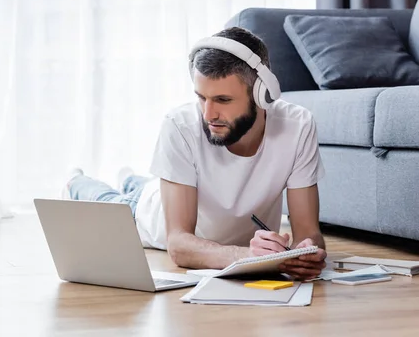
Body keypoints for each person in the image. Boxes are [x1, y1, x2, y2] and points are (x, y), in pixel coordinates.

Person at [62, 27, 327, 280]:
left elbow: (309, 233)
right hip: (149, 217)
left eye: (223, 100)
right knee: (112, 200)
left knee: (143, 185)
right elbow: (178, 245)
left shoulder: (298, 126)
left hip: (190, 203)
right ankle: (76, 181)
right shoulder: (179, 125)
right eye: (201, 98)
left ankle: (132, 178)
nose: (208, 115)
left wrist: (306, 253)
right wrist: (249, 256)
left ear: (262, 94)